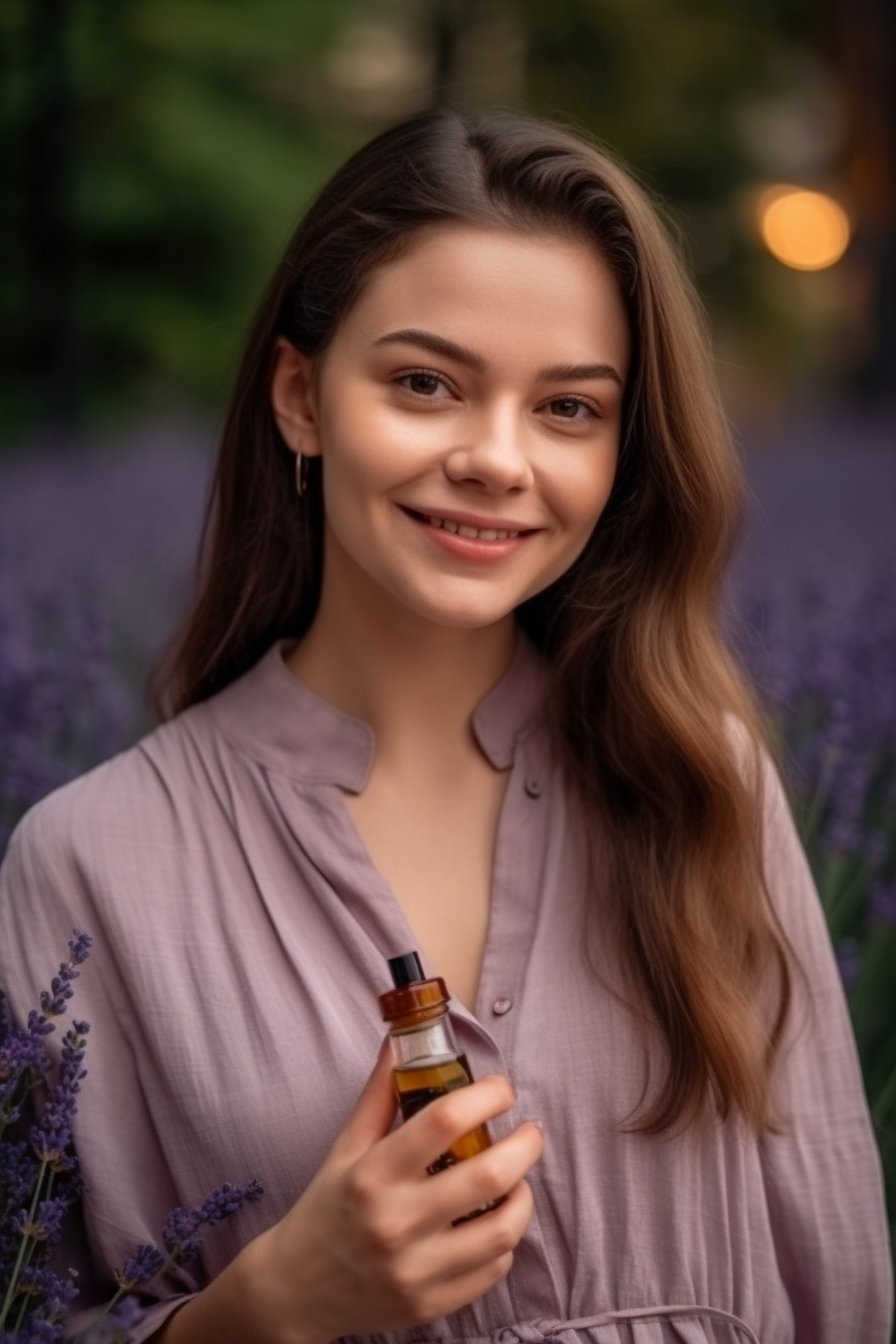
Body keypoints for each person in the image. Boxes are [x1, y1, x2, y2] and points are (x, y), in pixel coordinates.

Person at [0, 107, 891, 1344]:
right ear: (301, 396)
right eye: (426, 384)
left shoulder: (702, 784)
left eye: (568, 408)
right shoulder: (90, 862)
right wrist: (257, 1313)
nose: (494, 458)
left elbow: (838, 1277)